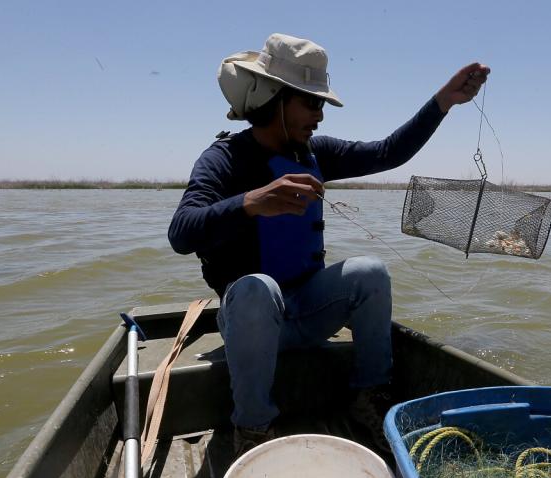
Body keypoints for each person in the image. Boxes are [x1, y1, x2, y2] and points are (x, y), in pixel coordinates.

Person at [168, 33, 489, 455]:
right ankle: (253, 427)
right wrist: (250, 203)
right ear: (273, 97)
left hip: (310, 311)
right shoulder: (223, 160)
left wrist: (442, 102)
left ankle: (369, 397)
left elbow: (388, 152)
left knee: (369, 272)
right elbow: (181, 233)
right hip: (253, 323)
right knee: (254, 288)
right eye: (312, 103)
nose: (319, 116)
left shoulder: (314, 152)